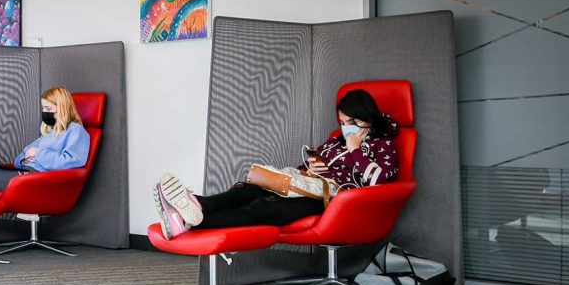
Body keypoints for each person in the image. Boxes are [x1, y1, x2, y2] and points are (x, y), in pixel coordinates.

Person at [154, 89, 400, 239]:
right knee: (249, 188)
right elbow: (304, 168)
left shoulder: (384, 145)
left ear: (366, 119)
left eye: (351, 121)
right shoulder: (336, 141)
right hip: (309, 186)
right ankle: (196, 203)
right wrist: (311, 168)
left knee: (263, 209)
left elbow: (379, 181)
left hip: (333, 202)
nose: (345, 127)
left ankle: (190, 220)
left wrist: (355, 150)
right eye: (342, 121)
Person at [0, 86, 90, 202]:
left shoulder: (76, 131)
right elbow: (20, 158)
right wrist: (27, 157)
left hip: (33, 180)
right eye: (43, 108)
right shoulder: (49, 133)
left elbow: (71, 162)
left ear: (62, 108)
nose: (44, 112)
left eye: (48, 109)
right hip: (22, 173)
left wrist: (37, 154)